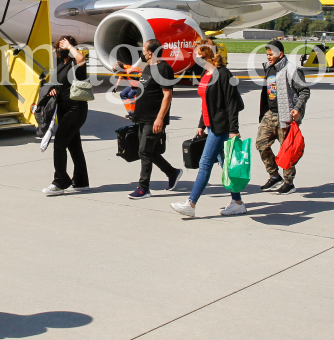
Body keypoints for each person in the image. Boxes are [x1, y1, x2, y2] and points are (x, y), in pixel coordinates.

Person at [171, 45, 244, 218]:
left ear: (205, 55)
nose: (193, 57)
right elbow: (206, 102)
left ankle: (191, 203)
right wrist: (201, 124)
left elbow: (232, 104)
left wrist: (234, 129)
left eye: (196, 54)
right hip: (211, 125)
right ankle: (238, 202)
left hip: (221, 127)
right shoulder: (206, 74)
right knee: (226, 165)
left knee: (205, 164)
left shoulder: (223, 74)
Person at [128, 39, 182, 199]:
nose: (142, 53)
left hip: (154, 118)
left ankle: (143, 188)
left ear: (150, 52)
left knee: (144, 151)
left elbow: (167, 94)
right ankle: (172, 172)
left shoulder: (164, 69)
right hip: (142, 117)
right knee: (145, 151)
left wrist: (160, 118)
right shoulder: (148, 68)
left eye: (144, 50)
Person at [256, 40, 310, 195]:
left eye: (271, 54)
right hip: (270, 113)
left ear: (280, 54)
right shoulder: (269, 68)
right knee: (261, 144)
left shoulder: (292, 70)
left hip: (285, 114)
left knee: (286, 150)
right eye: (267, 54)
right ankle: (274, 176)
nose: (268, 57)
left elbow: (304, 91)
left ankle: (289, 182)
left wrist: (297, 109)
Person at [42, 36, 90, 195]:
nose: (60, 50)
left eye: (63, 46)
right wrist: (53, 90)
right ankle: (81, 181)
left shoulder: (76, 64)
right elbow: (56, 84)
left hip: (75, 109)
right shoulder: (60, 65)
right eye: (58, 47)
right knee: (74, 146)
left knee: (59, 143)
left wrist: (70, 46)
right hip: (62, 109)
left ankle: (60, 181)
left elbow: (81, 58)